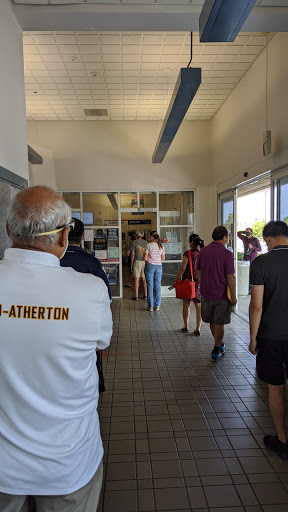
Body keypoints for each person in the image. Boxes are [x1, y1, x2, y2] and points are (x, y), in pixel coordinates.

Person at [0, 186, 112, 512]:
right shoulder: (89, 290)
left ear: (9, 229)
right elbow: (99, 343)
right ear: (65, 236)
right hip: (68, 463)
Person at [249, 220, 288, 459]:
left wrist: (253, 338)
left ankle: (282, 440)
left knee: (276, 388)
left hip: (271, 336)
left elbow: (256, 306)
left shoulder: (261, 262)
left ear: (268, 239)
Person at [61, 216, 111, 394]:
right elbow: (107, 297)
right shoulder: (92, 263)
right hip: (86, 327)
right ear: (82, 237)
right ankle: (95, 389)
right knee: (91, 364)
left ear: (63, 235)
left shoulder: (53, 261)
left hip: (57, 325)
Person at [197, 226, 237, 361]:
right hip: (221, 295)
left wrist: (203, 287)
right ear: (224, 238)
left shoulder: (203, 251)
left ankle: (219, 345)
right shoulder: (226, 254)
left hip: (206, 293)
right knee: (219, 323)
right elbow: (230, 277)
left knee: (212, 322)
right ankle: (216, 349)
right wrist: (234, 296)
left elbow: (199, 272)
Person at [173, 234, 204, 335]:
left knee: (186, 305)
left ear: (191, 242)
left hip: (188, 282)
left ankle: (186, 326)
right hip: (199, 283)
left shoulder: (188, 253)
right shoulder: (203, 253)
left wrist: (176, 280)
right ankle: (197, 329)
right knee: (198, 306)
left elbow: (182, 268)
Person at [143, 231, 165, 311]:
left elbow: (145, 258)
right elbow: (163, 258)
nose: (149, 237)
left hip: (150, 266)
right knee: (157, 286)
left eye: (149, 236)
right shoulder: (161, 246)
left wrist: (145, 255)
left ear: (152, 237)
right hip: (159, 266)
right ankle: (157, 305)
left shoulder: (148, 245)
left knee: (150, 285)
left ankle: (150, 306)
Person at [129, 230, 148, 301]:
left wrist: (131, 263)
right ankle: (146, 295)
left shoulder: (134, 242)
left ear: (137, 235)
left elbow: (132, 254)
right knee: (144, 279)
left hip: (137, 262)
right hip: (145, 262)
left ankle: (136, 296)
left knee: (137, 279)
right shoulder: (146, 243)